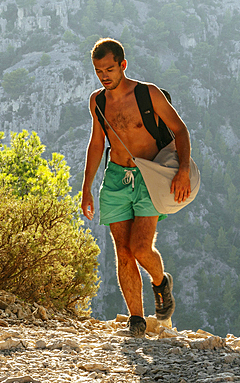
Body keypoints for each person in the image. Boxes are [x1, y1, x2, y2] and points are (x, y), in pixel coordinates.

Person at [80, 38, 192, 339]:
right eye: (98, 70)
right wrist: (86, 188)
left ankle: (160, 283)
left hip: (149, 176)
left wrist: (183, 170)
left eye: (110, 69)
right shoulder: (97, 101)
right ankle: (136, 319)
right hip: (116, 178)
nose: (104, 76)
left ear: (123, 65)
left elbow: (180, 129)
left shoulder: (148, 94)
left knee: (141, 247)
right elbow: (96, 144)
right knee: (123, 251)